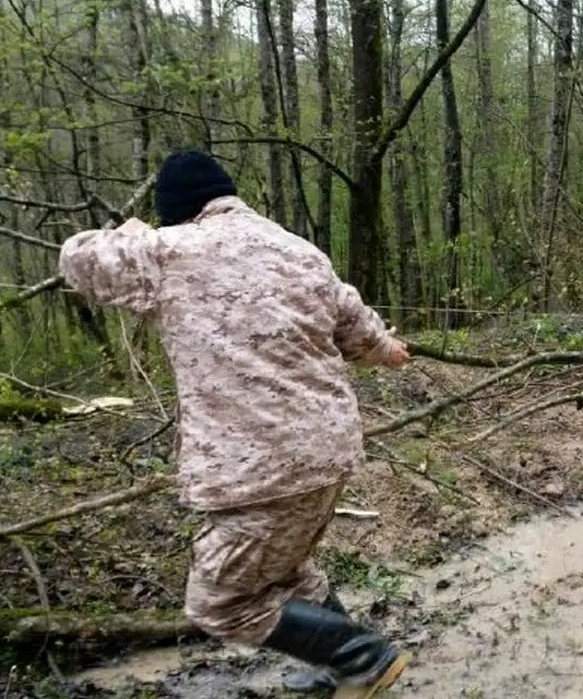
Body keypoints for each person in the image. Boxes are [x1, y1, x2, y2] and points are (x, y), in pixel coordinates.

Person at [58, 150, 411, 698]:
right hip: (327, 451)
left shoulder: (167, 251)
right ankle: (343, 666)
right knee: (286, 572)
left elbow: (76, 259)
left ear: (176, 210)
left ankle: (363, 656)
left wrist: (135, 230)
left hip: (258, 468)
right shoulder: (302, 252)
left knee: (220, 602)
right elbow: (360, 334)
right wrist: (390, 351)